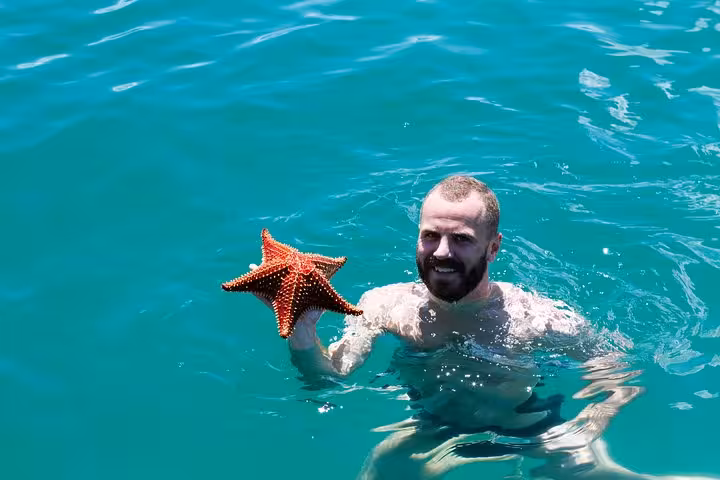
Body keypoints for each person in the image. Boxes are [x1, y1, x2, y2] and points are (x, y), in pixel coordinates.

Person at [250, 175, 716, 480]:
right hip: (432, 427)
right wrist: (302, 329)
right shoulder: (383, 306)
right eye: (430, 235)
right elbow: (330, 379)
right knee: (379, 470)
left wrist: (587, 425)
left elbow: (617, 373)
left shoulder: (536, 319)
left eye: (461, 240)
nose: (441, 252)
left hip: (531, 427)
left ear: (493, 249)